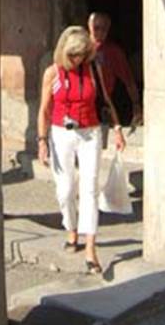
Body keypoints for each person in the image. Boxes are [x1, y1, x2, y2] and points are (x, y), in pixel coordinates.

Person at [37, 25, 125, 274]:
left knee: (89, 189)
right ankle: (71, 228)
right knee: (65, 190)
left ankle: (90, 249)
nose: (77, 59)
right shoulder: (52, 73)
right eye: (73, 55)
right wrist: (41, 141)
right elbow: (44, 109)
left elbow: (105, 100)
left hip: (90, 132)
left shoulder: (93, 69)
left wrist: (117, 128)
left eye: (82, 55)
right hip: (61, 133)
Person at [88, 12, 142, 126]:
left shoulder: (114, 52)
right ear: (89, 26)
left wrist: (136, 105)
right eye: (96, 28)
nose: (100, 32)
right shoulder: (81, 48)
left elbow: (128, 80)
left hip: (106, 102)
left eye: (104, 29)